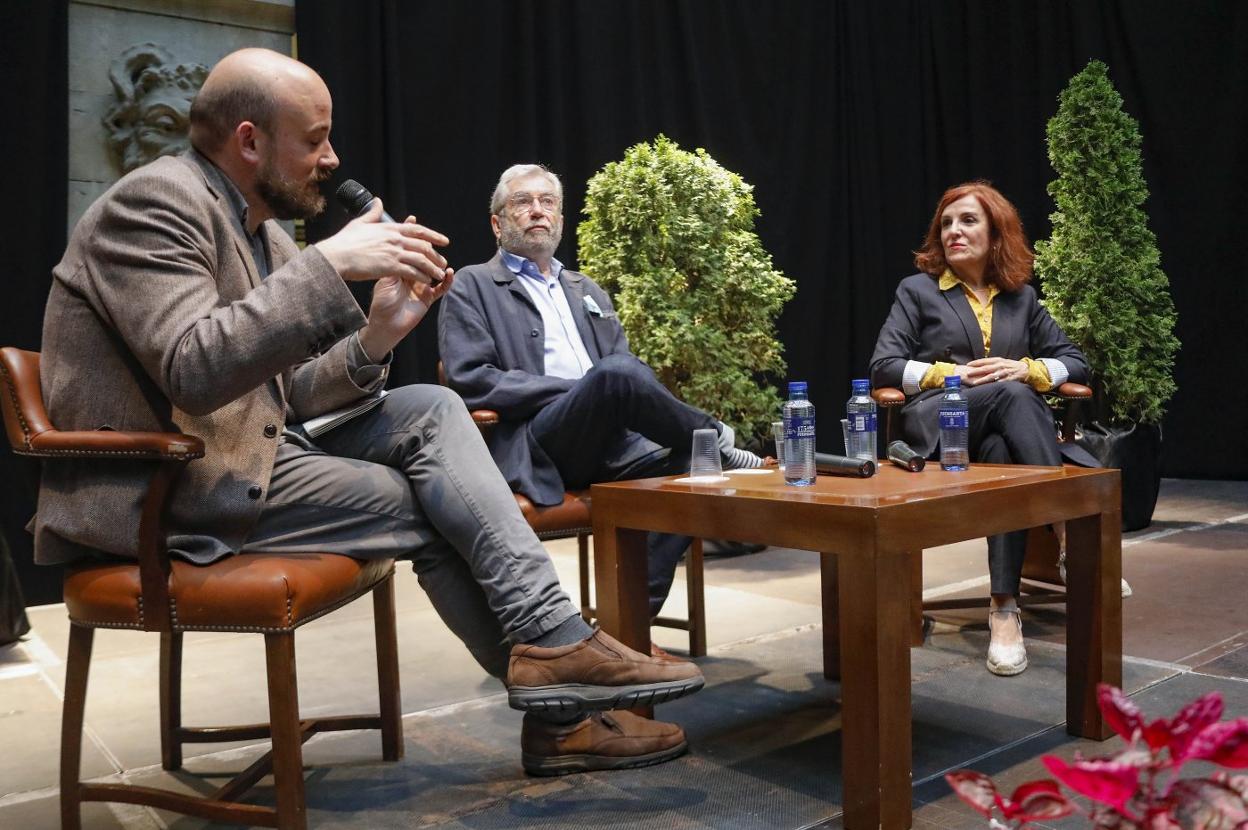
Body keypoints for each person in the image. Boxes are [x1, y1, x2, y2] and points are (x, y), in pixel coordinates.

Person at [37, 48, 702, 776]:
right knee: (429, 500)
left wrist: (380, 330)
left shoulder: (262, 232)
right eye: (314, 139)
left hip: (248, 455)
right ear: (250, 140)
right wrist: (329, 266)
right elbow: (195, 369)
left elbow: (289, 391)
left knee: (429, 405)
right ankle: (562, 696)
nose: (332, 157)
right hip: (164, 488)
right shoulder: (154, 204)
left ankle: (557, 660)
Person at [438, 164, 768, 621]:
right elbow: (472, 379)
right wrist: (581, 389)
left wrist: (604, 388)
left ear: (559, 218)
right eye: (522, 202)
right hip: (541, 443)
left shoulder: (585, 288)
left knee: (695, 463)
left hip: (611, 440)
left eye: (547, 202)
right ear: (498, 223)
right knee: (614, 376)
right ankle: (716, 435)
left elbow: (630, 375)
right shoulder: (471, 286)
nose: (537, 211)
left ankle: (626, 627)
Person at [869, 181, 1103, 677]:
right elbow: (884, 367)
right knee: (1010, 395)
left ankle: (1004, 611)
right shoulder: (917, 292)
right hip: (938, 423)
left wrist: (1030, 369)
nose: (954, 231)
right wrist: (950, 374)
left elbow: (1074, 362)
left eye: (968, 221)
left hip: (1004, 434)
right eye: (947, 223)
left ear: (996, 231)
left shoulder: (1022, 298)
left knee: (1005, 440)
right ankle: (1064, 529)